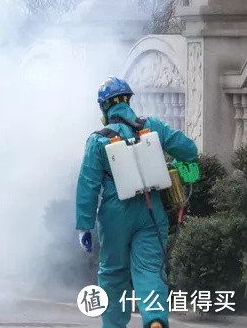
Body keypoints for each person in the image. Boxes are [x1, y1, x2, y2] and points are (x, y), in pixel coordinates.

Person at [76, 77, 197, 328]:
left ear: (103, 108)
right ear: (129, 100)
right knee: (150, 270)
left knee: (112, 274)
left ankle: (114, 325)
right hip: (150, 209)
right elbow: (189, 150)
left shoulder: (98, 140)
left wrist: (84, 226)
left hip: (114, 214)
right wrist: (176, 165)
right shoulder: (152, 127)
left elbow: (88, 185)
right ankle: (154, 320)